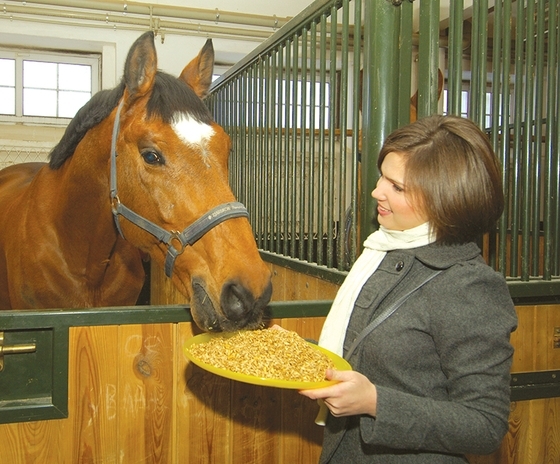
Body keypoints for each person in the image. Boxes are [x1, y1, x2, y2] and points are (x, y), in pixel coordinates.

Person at [299, 114, 518, 463]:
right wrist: (288, 350)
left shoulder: (468, 285)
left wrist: (375, 403)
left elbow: (485, 424)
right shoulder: (382, 252)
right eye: (382, 176)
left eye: (396, 187)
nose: (376, 192)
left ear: (444, 199)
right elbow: (359, 351)